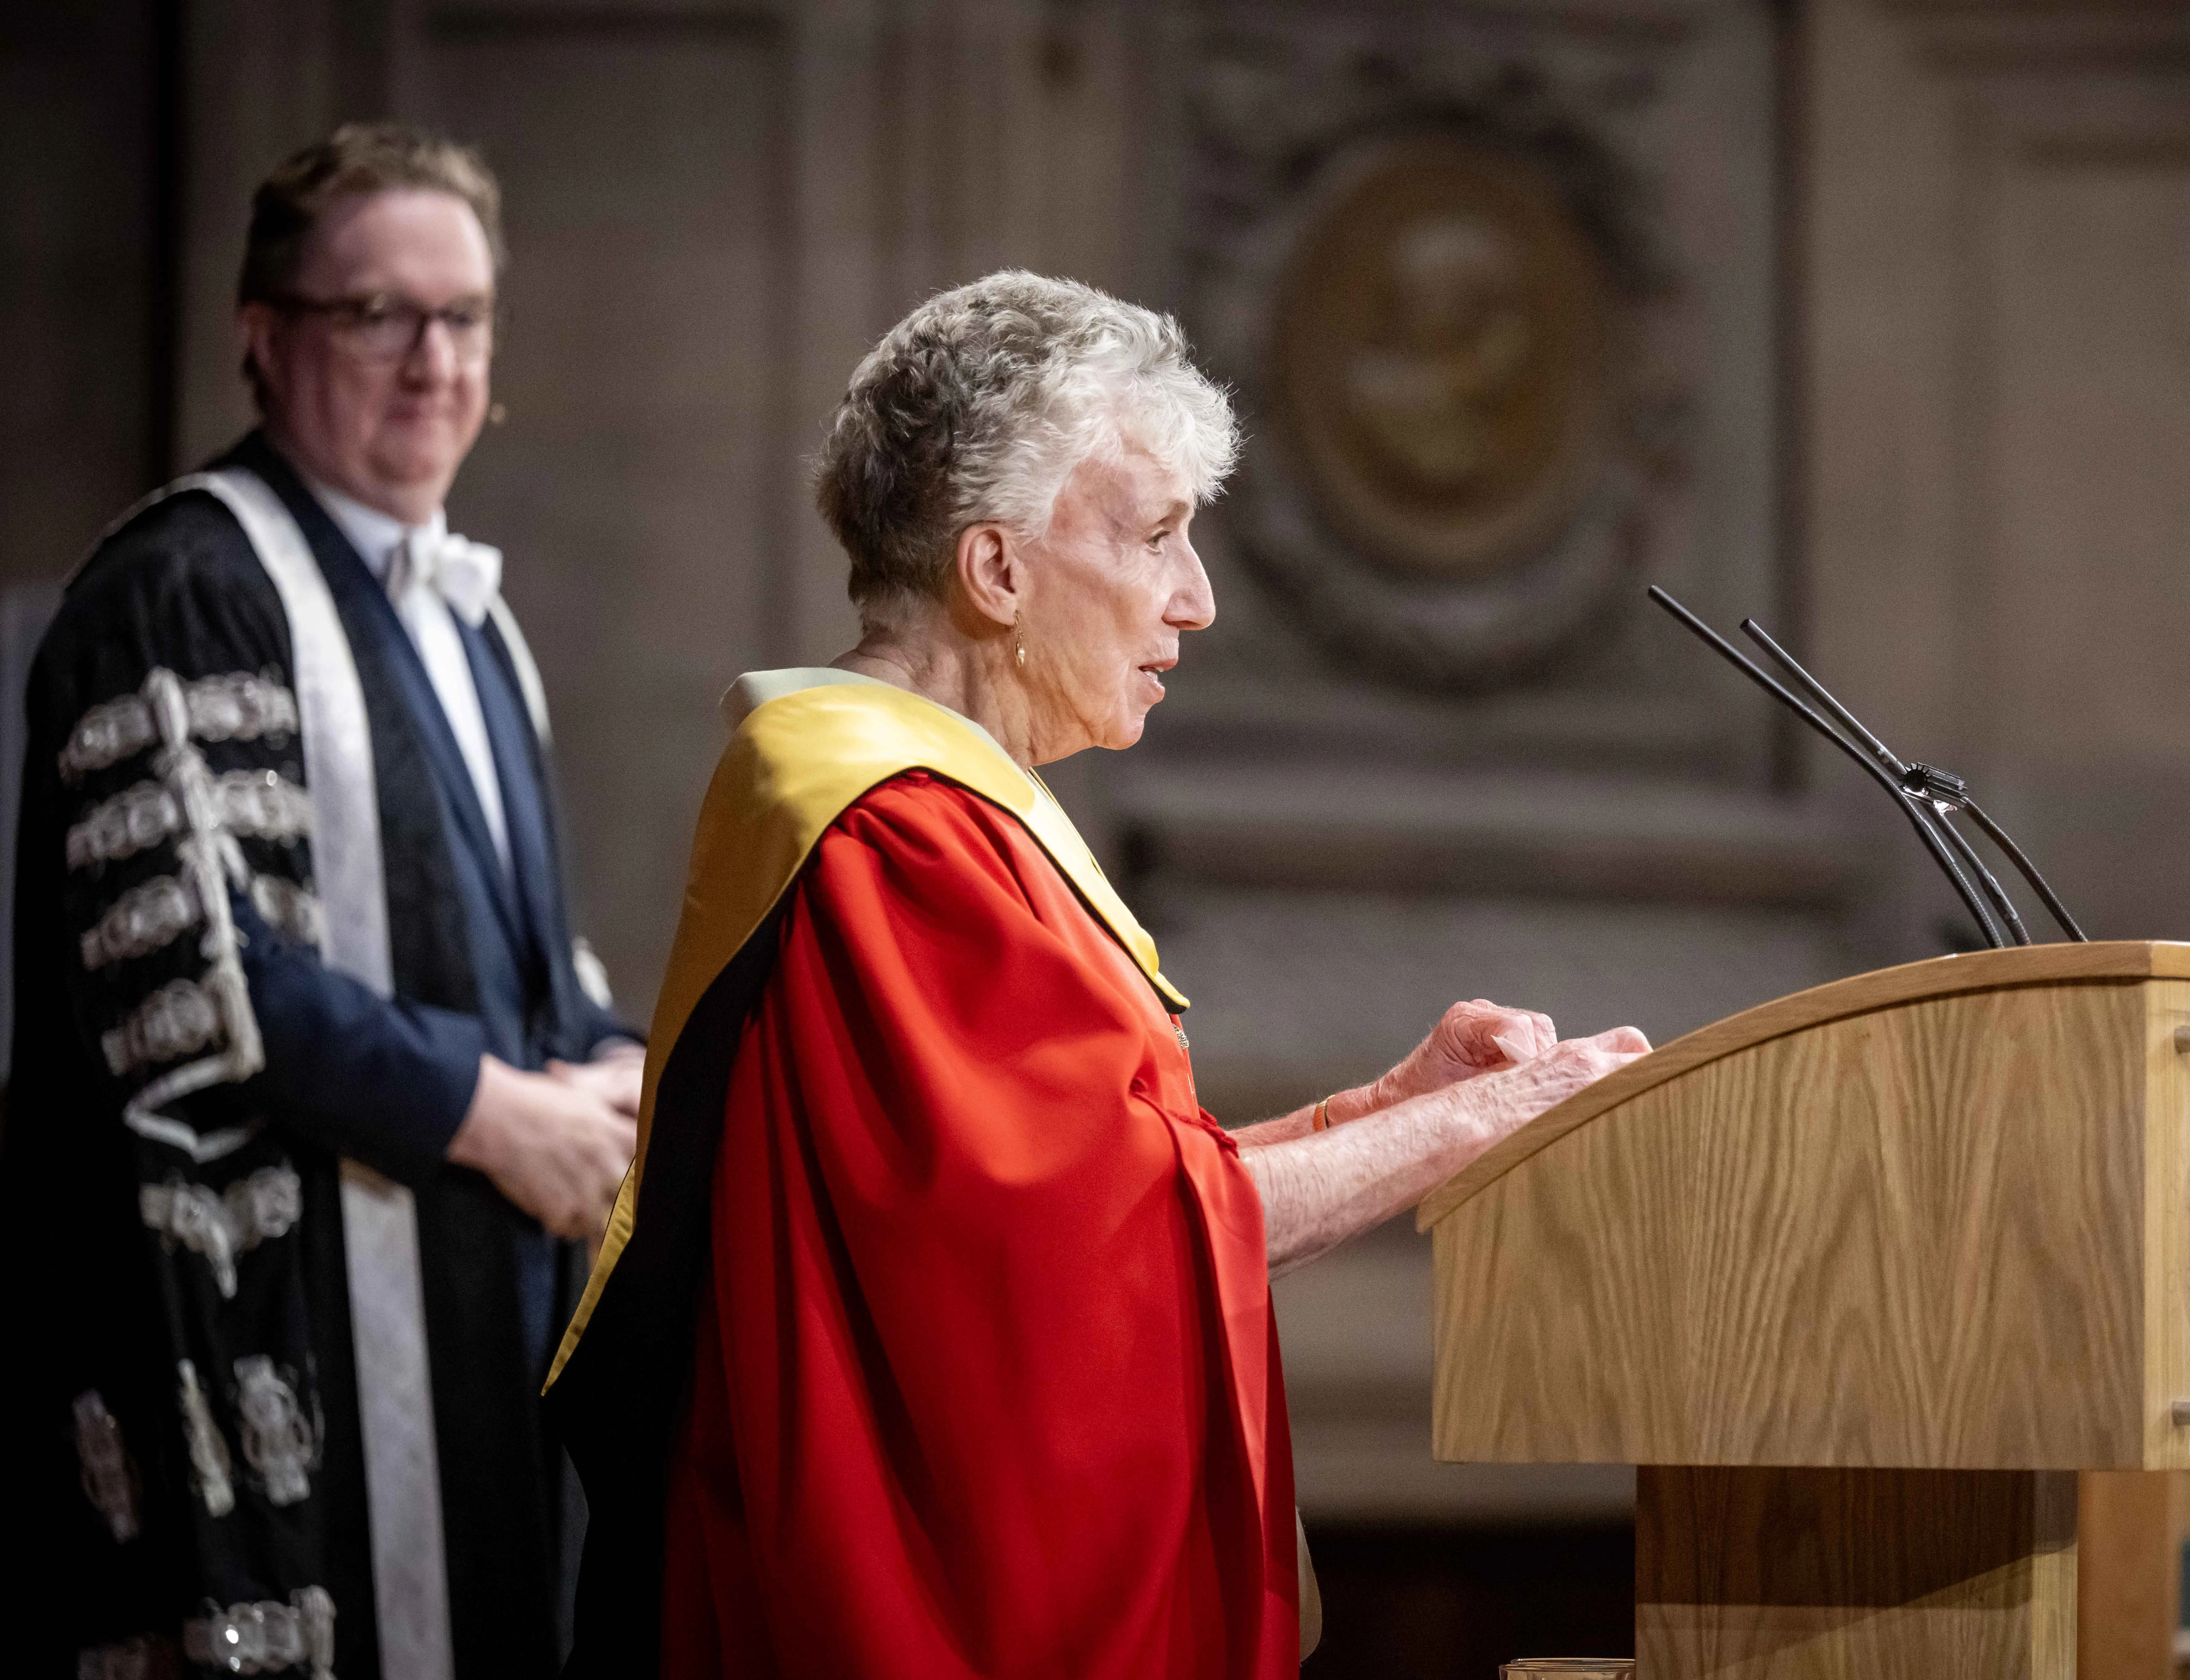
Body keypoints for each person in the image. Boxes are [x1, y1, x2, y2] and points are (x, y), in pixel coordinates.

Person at [546, 271, 1651, 1679]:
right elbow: (1114, 1249)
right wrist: (1486, 1121)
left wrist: (1384, 1112)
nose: (1197, 599)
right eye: (1157, 535)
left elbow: (1109, 1201)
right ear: (997, 571)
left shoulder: (926, 813)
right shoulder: (897, 838)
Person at [1, 123, 641, 1680]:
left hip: (480, 1329)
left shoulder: (475, 626)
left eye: (464, 315)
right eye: (378, 314)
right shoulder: (186, 587)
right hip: (270, 1363)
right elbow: (194, 980)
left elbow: (512, 968)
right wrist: (495, 1110)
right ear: (264, 335)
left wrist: (622, 1070)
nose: (435, 360)